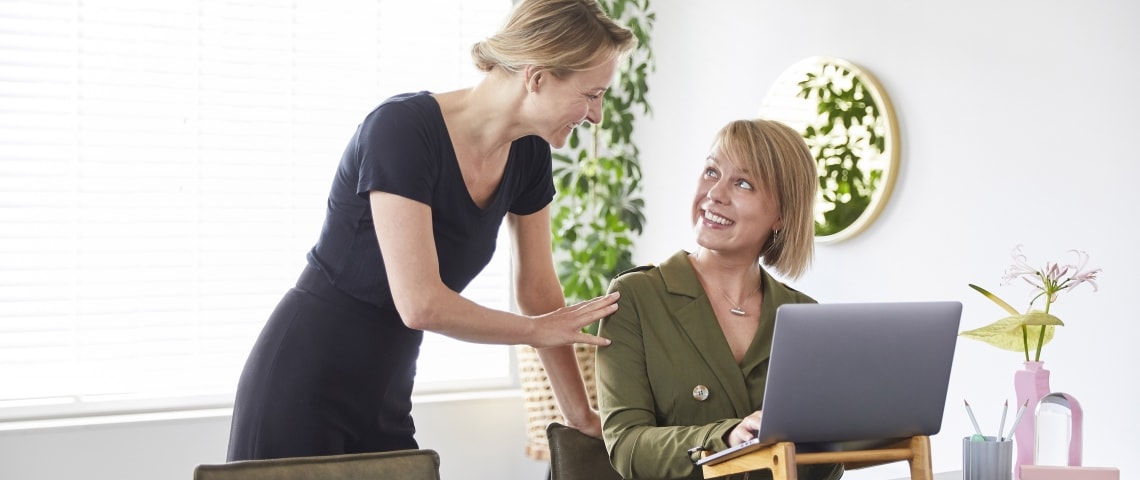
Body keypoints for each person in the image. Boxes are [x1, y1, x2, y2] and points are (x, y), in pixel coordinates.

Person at [227, 0, 636, 461]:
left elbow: (539, 290)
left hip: (386, 387)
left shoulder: (529, 155)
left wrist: (582, 419)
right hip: (303, 378)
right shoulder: (402, 130)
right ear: (537, 77)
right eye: (592, 94)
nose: (597, 114)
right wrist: (532, 331)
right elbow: (420, 303)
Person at [595, 119, 844, 480]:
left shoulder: (804, 314)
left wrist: (836, 436)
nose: (715, 193)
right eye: (712, 171)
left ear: (781, 215)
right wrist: (724, 438)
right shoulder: (636, 296)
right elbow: (626, 446)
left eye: (742, 183)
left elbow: (824, 470)